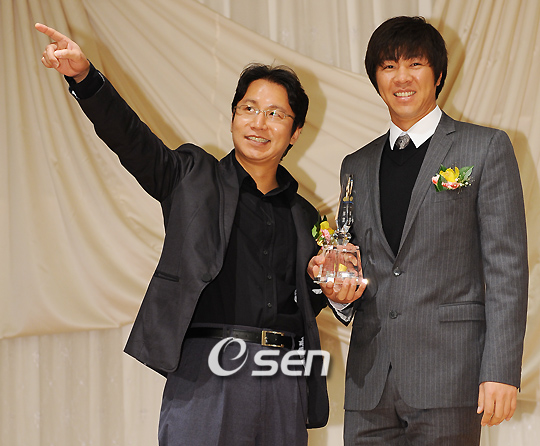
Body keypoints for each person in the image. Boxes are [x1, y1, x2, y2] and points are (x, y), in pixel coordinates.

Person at [36, 22, 330, 446]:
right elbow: (132, 140)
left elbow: (308, 300)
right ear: (233, 116)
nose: (259, 123)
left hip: (282, 377)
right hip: (204, 371)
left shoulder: (304, 216)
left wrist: (330, 287)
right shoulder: (192, 176)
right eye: (249, 108)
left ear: (295, 131)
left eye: (275, 114)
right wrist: (84, 77)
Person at [308, 16, 528, 445]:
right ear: (376, 78)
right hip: (369, 382)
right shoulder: (356, 165)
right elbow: (360, 262)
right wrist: (339, 292)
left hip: (450, 377)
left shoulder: (485, 147)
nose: (402, 77)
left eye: (415, 64)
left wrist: (501, 371)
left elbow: (507, 268)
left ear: (438, 74)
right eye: (389, 66)